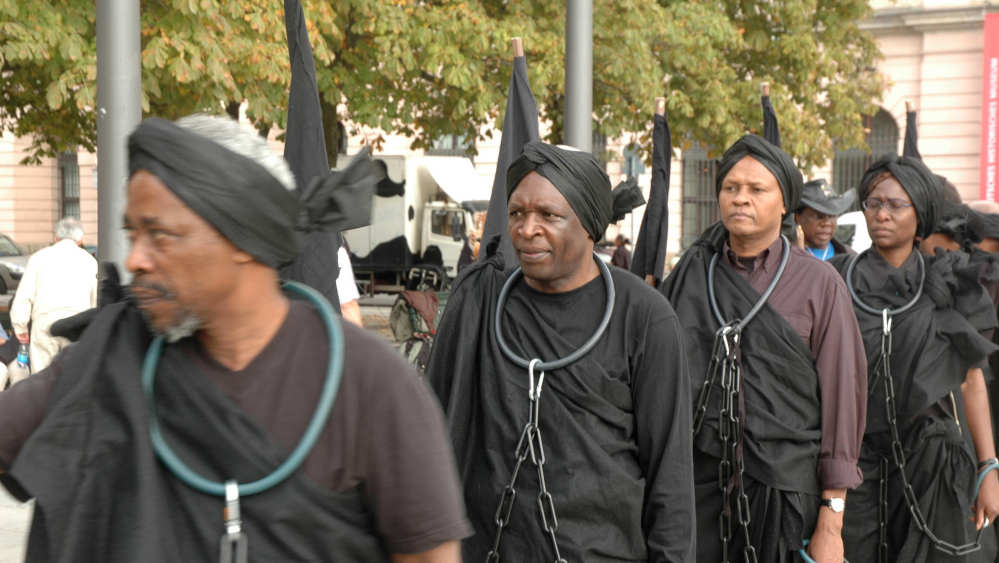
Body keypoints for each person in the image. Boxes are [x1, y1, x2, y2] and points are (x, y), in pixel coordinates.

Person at [0, 115, 469, 562]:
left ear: (241, 239)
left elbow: (429, 554)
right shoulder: (108, 359)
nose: (136, 259)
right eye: (132, 233)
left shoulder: (370, 384)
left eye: (160, 235)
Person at [427, 141, 696, 562]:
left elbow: (671, 475)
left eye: (549, 216)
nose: (526, 229)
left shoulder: (644, 316)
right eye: (517, 213)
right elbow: (432, 436)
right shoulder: (481, 303)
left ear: (589, 225)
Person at [661, 134, 868, 563]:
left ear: (784, 204)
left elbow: (842, 401)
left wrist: (831, 523)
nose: (741, 199)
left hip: (785, 492)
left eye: (757, 190)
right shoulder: (691, 275)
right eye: (731, 188)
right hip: (697, 490)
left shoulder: (819, 284)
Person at [828, 155, 999, 562]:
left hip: (932, 461)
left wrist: (988, 465)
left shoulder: (949, 280)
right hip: (856, 463)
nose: (881, 213)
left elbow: (970, 378)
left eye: (895, 204)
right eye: (873, 203)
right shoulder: (835, 278)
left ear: (919, 213)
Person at [9, 217, 97, 373]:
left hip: (45, 323)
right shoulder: (90, 261)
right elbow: (95, 300)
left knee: (41, 380)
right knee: (72, 379)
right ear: (80, 239)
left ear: (56, 236)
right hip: (76, 325)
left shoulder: (38, 258)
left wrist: (20, 327)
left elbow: (24, 296)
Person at [795, 178, 856, 260]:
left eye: (832, 216)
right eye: (819, 216)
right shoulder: (784, 257)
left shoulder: (851, 259)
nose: (826, 223)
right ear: (798, 218)